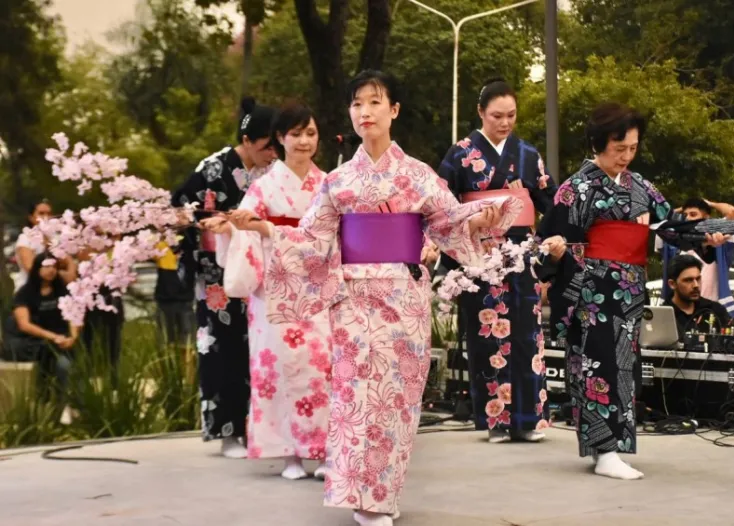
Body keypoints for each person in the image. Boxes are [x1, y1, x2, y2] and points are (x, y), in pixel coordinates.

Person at [203, 70, 530, 526]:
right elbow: (310, 241)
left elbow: (448, 222)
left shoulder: (418, 175)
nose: (365, 112)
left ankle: (383, 490)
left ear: (393, 110)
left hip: (404, 299)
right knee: (358, 398)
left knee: (396, 402)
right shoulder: (337, 181)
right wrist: (263, 229)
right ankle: (364, 499)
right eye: (357, 104)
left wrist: (479, 221)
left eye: (375, 102)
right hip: (354, 300)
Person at [538, 102, 727, 480]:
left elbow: (671, 227)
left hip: (629, 289)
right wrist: (555, 257)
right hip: (591, 288)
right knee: (598, 364)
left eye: (633, 148)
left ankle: (609, 448)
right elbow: (551, 241)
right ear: (598, 143)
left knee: (624, 365)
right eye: (619, 148)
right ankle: (605, 451)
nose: (626, 156)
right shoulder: (575, 189)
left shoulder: (642, 187)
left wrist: (708, 239)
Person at [212, 103, 332, 480]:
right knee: (278, 366)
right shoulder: (264, 186)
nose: (304, 141)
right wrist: (232, 228)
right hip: (275, 287)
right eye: (295, 134)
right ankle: (290, 455)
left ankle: (325, 449)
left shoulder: (327, 183)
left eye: (310, 133)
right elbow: (245, 227)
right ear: (280, 138)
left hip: (315, 283)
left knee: (322, 366)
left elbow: (334, 234)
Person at [438, 78, 558, 444]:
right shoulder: (459, 155)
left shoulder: (528, 154)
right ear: (480, 113)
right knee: (487, 335)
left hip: (521, 255)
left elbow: (550, 203)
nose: (505, 123)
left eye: (511, 115)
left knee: (525, 336)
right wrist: (456, 256)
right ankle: (496, 420)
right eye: (496, 116)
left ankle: (529, 419)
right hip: (480, 254)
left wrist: (548, 252)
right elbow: (442, 208)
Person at [172, 97, 278, 459]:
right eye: (267, 146)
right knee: (222, 349)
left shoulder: (272, 173)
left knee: (258, 351)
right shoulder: (213, 168)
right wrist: (211, 223)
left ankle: (258, 430)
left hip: (258, 272)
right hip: (216, 274)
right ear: (248, 140)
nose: (272, 153)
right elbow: (179, 210)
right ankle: (227, 431)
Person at [3, 252, 80, 421]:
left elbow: (73, 316)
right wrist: (52, 337)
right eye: (46, 266)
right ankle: (45, 411)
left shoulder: (64, 291)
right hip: (37, 343)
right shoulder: (25, 293)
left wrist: (73, 337)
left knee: (64, 366)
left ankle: (63, 409)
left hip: (62, 343)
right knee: (51, 367)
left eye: (53, 266)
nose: (50, 270)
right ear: (37, 268)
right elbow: (25, 324)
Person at [658, 197, 734, 316]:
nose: (687, 218)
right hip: (678, 311)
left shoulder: (717, 239)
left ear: (707, 218)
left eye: (693, 214)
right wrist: (683, 207)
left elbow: (732, 212)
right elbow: (660, 219)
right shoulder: (673, 241)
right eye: (685, 215)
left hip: (711, 310)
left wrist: (710, 203)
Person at [14, 200, 76, 292]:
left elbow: (69, 261)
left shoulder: (55, 238)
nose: (46, 217)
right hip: (30, 291)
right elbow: (30, 267)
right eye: (41, 213)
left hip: (55, 291)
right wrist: (61, 274)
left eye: (49, 213)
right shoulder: (25, 239)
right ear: (31, 217)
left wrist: (70, 275)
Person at [666, 254, 731, 334]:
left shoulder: (715, 310)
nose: (696, 285)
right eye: (688, 280)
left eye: (698, 279)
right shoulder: (661, 316)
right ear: (672, 284)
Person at [153, 236, 195, 350]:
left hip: (186, 299)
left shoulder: (190, 243)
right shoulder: (159, 243)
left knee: (187, 343)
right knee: (166, 342)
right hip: (165, 299)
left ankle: (188, 366)